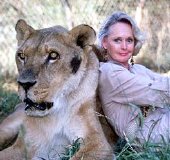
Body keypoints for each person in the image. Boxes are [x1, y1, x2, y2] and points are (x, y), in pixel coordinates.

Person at [97, 11, 170, 144]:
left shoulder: (137, 69)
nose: (124, 47)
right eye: (117, 40)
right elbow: (157, 92)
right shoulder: (109, 72)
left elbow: (163, 82)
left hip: (163, 119)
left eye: (129, 40)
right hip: (151, 135)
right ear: (105, 43)